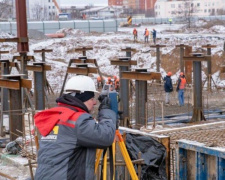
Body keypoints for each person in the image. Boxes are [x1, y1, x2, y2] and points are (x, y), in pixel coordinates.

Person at [34, 75, 117, 180]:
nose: (95, 102)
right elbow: (106, 137)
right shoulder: (77, 121)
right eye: (92, 98)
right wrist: (107, 111)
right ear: (83, 99)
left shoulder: (54, 116)